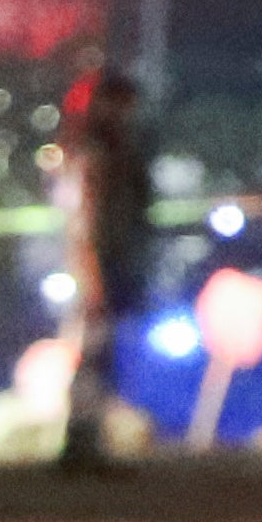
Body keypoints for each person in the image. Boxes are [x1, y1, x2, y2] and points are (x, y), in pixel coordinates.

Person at [52, 56, 157, 474]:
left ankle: (86, 443)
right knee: (94, 354)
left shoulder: (108, 147)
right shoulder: (96, 150)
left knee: (100, 355)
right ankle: (80, 445)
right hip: (100, 262)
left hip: (110, 259)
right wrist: (92, 273)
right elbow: (86, 217)